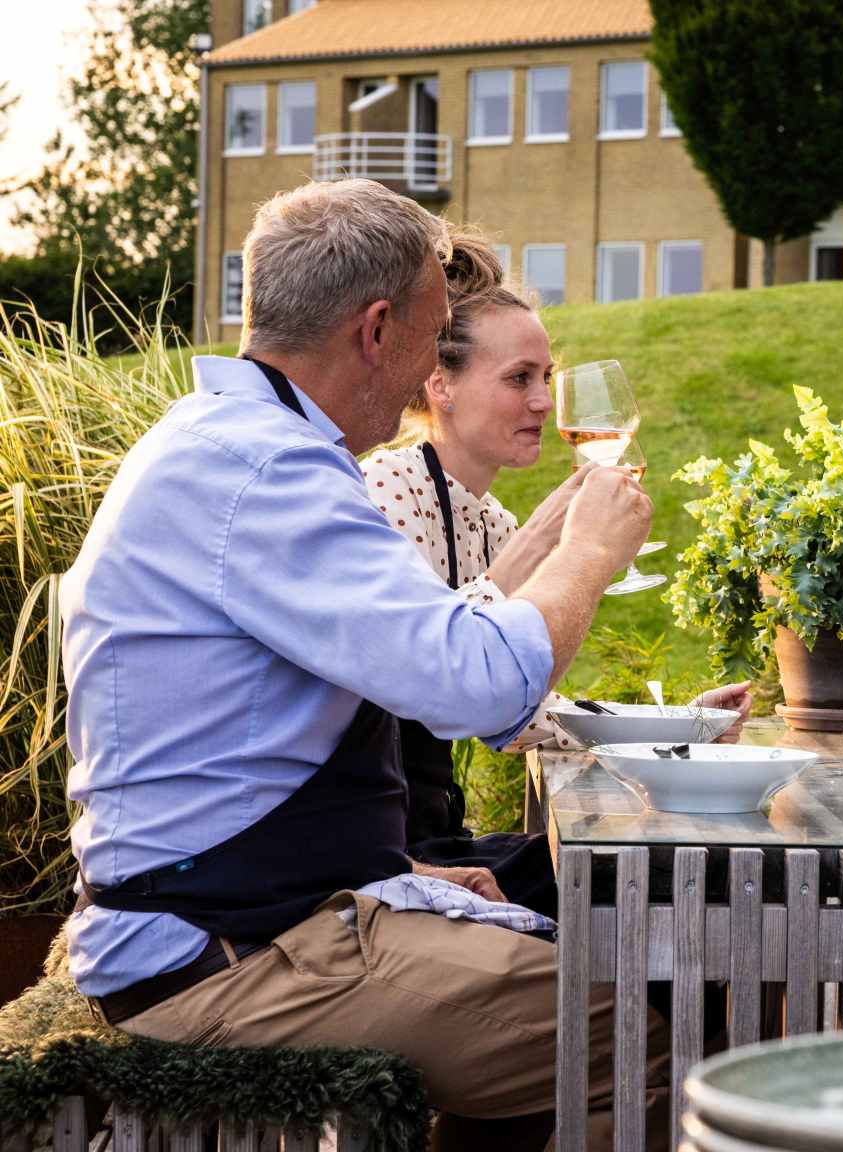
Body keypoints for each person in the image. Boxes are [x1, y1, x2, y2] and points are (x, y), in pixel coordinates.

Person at [61, 179, 660, 1150]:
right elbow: (479, 686)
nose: (432, 367)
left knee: (596, 980)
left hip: (232, 927)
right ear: (378, 330)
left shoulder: (228, 446)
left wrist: (402, 871)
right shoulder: (269, 473)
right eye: (433, 337)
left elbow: (241, 759)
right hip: (217, 964)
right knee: (652, 1011)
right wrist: (588, 550)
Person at [362, 232, 750, 918]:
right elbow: (438, 684)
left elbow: (526, 720)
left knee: (665, 862)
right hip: (386, 861)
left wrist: (684, 726)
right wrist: (557, 542)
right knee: (648, 881)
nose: (545, 402)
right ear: (440, 382)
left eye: (547, 377)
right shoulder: (390, 491)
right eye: (520, 378)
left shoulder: (489, 520)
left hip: (437, 843)